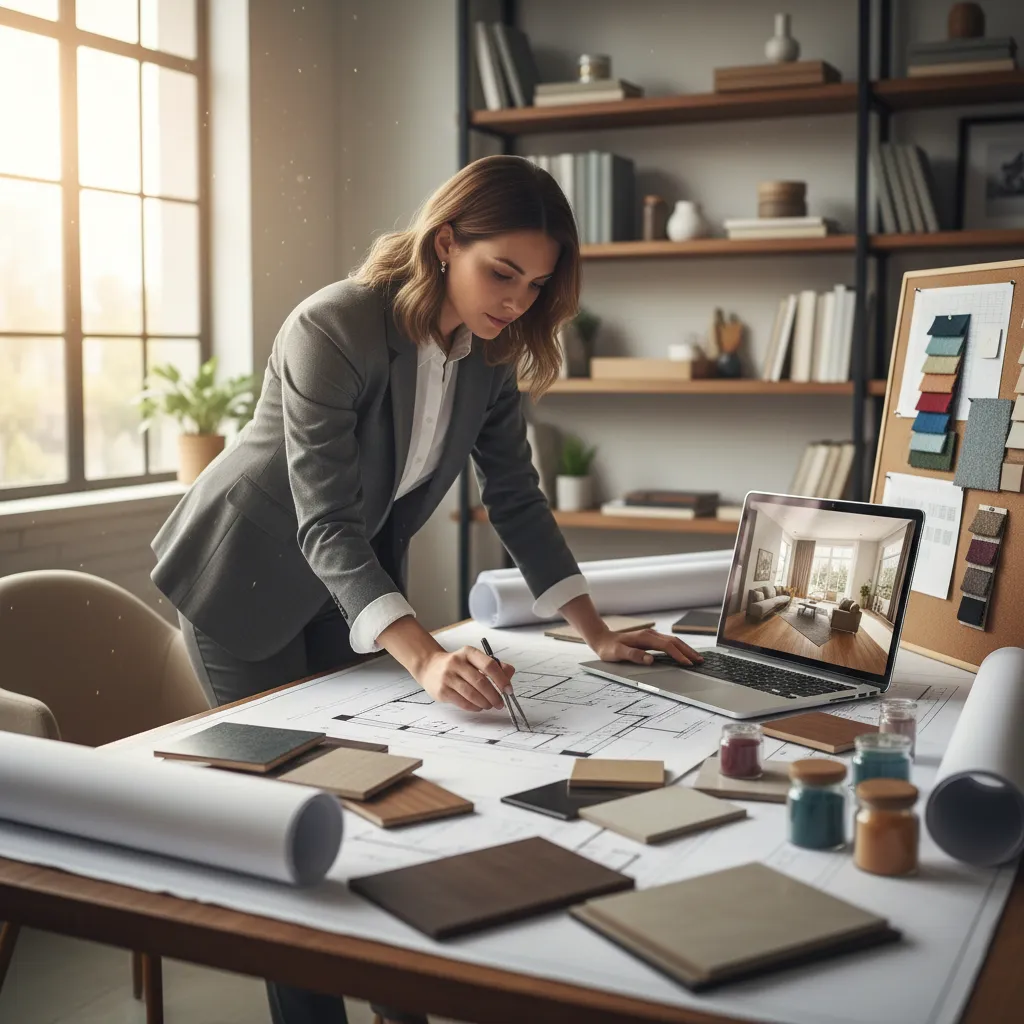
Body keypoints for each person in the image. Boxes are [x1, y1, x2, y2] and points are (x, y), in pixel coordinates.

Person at [151, 154, 701, 1024]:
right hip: (243, 578)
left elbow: (516, 499)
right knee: (288, 823)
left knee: (373, 799)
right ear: (447, 242)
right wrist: (426, 656)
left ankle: (399, 1006)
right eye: (502, 272)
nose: (517, 301)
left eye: (537, 284)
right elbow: (324, 521)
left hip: (350, 586)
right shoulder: (332, 325)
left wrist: (595, 630)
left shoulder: (490, 359)